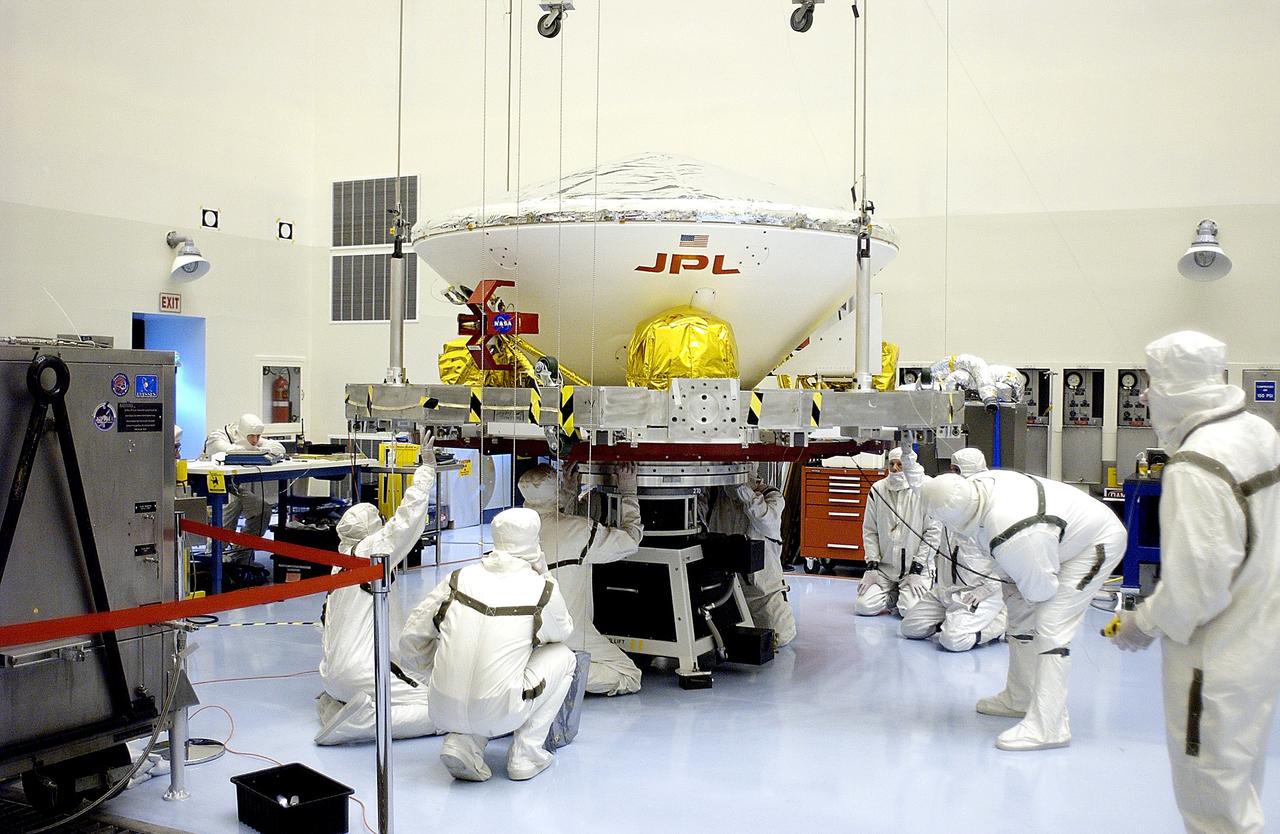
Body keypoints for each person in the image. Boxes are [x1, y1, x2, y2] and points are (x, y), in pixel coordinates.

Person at [1110, 331, 1280, 834]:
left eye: (1151, 383)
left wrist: (1141, 623)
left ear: (1173, 387)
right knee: (1238, 781)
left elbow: (1196, 591)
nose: (1145, 396)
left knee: (1211, 801)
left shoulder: (1195, 467)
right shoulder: (1257, 431)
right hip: (1258, 641)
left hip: (1213, 662)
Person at [921, 468, 1125, 751]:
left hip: (1095, 543)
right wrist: (1013, 579)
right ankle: (1020, 697)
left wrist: (1018, 577)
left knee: (1052, 625)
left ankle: (1050, 726)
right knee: (1018, 616)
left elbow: (1041, 590)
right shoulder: (978, 487)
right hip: (1054, 539)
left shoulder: (1011, 529)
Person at [400, 508, 576, 782]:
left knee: (477, 658)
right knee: (564, 657)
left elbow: (411, 636)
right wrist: (546, 574)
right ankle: (525, 755)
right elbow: (563, 630)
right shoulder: (541, 589)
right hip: (500, 711)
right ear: (534, 540)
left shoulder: (458, 578)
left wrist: (433, 676)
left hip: (440, 706)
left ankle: (463, 743)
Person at [314, 458, 439, 745]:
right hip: (362, 673)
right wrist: (425, 473)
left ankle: (337, 705)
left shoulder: (339, 561)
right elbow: (405, 521)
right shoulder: (371, 553)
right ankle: (359, 723)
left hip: (332, 675)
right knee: (440, 707)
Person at [517, 464, 644, 696]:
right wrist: (629, 494)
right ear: (555, 492)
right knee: (629, 675)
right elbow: (630, 540)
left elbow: (558, 523)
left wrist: (569, 492)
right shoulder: (578, 530)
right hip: (570, 633)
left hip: (522, 633)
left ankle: (536, 670)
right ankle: (559, 675)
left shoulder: (513, 531)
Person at [900, 448, 1006, 651]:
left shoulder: (991, 510)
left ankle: (999, 623)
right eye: (951, 469)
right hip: (947, 590)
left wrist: (987, 589)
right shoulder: (949, 499)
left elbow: (1006, 561)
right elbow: (919, 483)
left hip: (977, 592)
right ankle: (954, 620)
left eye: (957, 470)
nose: (952, 476)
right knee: (910, 628)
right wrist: (907, 453)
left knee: (953, 641)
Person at [702, 477, 798, 647]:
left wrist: (742, 489)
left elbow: (765, 520)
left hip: (762, 596)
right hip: (725, 594)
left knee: (777, 638)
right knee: (716, 642)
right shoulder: (715, 496)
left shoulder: (771, 496)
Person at [856, 448, 938, 617]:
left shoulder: (925, 489)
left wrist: (917, 569)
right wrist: (872, 565)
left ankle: (904, 596)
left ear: (909, 465)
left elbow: (932, 534)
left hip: (915, 570)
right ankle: (894, 595)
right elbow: (870, 530)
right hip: (885, 569)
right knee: (864, 607)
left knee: (910, 610)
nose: (894, 469)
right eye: (891, 464)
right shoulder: (878, 490)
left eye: (900, 464)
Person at [201, 413, 285, 539]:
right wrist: (258, 450)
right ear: (241, 433)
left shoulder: (249, 438)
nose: (255, 441)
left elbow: (278, 448)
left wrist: (256, 448)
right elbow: (227, 451)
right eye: (251, 436)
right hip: (210, 486)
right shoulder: (217, 437)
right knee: (232, 505)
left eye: (258, 436)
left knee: (262, 510)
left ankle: (241, 554)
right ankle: (215, 554)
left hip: (234, 487)